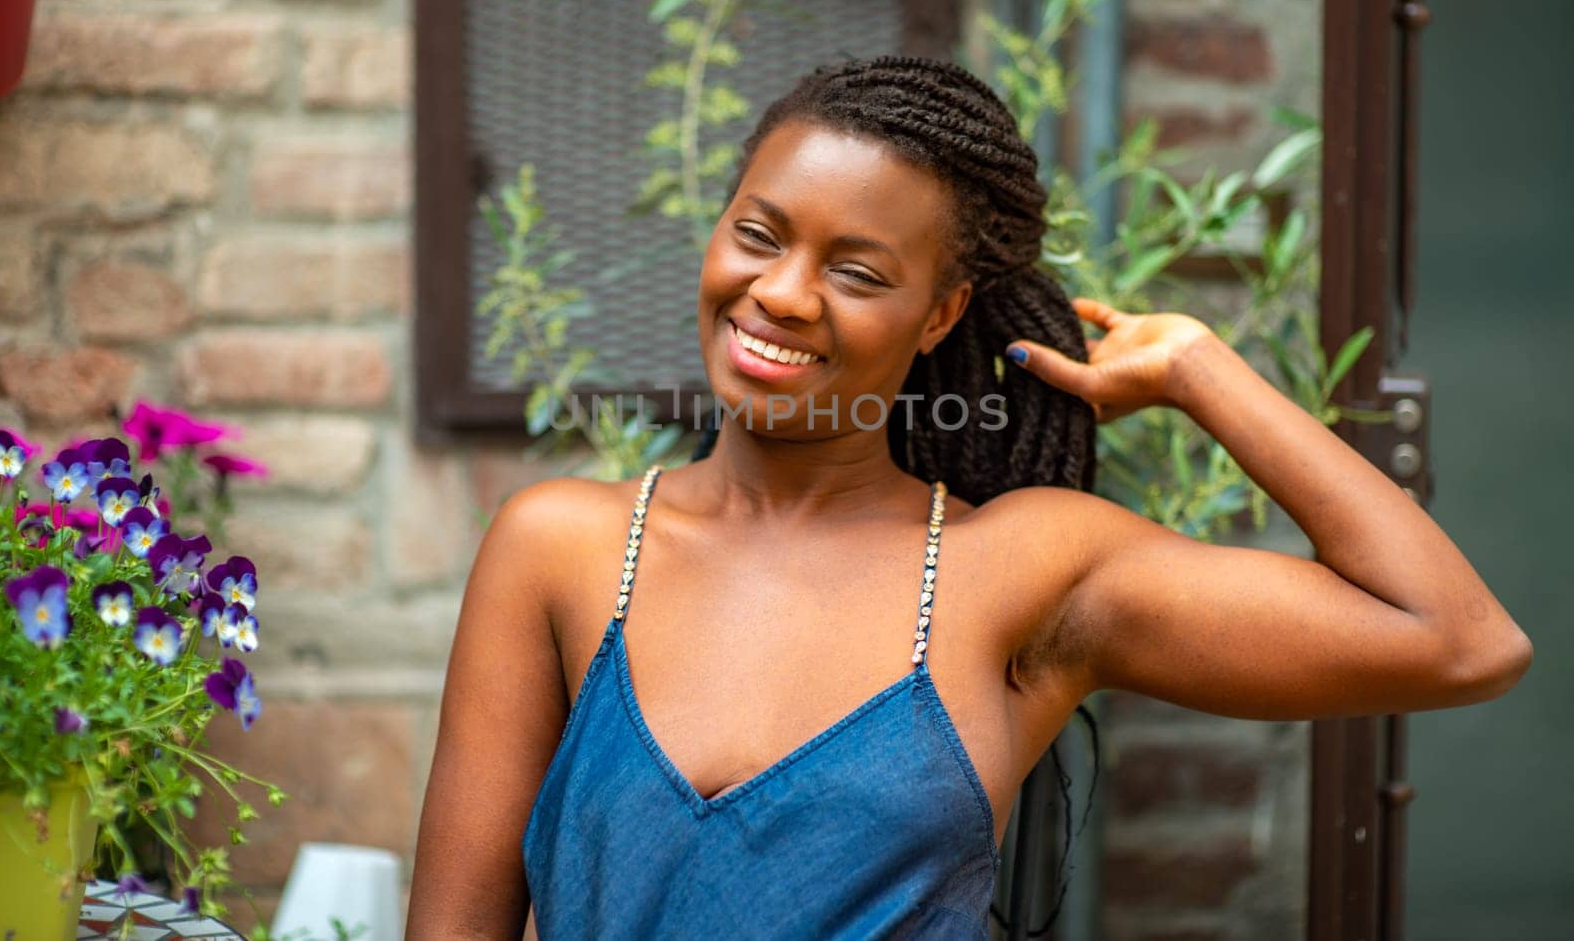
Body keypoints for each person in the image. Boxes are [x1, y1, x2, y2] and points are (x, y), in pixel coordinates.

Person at [404, 56, 1531, 939]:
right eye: (757, 235)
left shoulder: (1018, 572)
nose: (781, 294)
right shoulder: (563, 548)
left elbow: (1455, 639)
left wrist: (1198, 369)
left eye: (858, 270)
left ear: (941, 314)